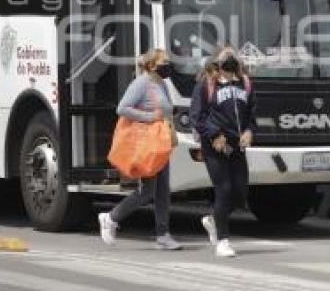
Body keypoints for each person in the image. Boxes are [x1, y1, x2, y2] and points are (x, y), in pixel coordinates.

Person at [97, 48, 181, 250]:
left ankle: (163, 234)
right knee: (147, 192)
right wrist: (150, 117)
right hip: (146, 145)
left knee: (162, 191)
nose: (168, 66)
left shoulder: (161, 83)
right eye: (164, 62)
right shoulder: (142, 83)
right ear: (152, 65)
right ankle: (110, 217)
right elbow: (122, 108)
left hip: (160, 143)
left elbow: (166, 110)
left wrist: (171, 130)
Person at [189, 47, 256, 258]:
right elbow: (197, 117)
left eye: (233, 55)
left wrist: (250, 131)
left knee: (240, 193)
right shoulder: (207, 85)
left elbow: (252, 113)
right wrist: (214, 135)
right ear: (216, 60)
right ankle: (223, 241)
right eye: (225, 55)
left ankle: (214, 219)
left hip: (237, 146)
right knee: (224, 189)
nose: (230, 58)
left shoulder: (245, 83)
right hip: (215, 145)